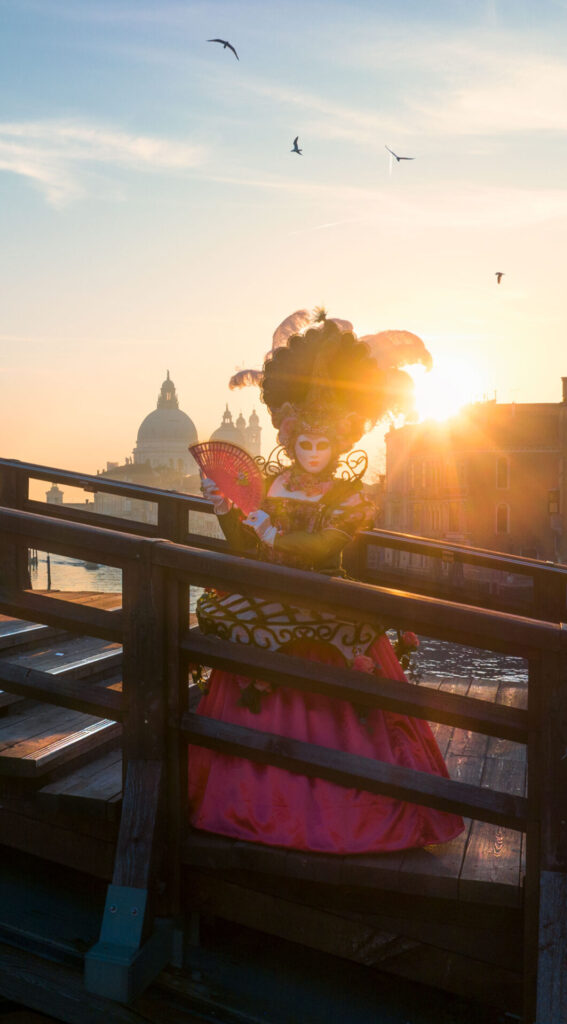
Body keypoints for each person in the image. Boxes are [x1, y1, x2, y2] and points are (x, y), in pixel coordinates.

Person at [188, 312, 464, 854]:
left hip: (326, 604)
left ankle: (342, 812)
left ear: (338, 440)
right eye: (304, 441)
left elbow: (324, 550)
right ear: (290, 436)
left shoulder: (350, 496)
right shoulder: (270, 483)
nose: (312, 451)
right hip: (264, 603)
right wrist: (225, 509)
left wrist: (265, 524)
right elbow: (244, 549)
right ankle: (250, 802)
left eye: (322, 442)